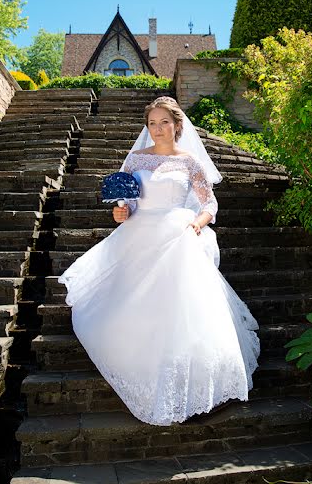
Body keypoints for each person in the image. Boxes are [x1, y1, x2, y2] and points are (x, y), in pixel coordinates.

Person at [58, 96, 260, 426]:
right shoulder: (136, 160)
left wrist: (198, 222)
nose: (157, 129)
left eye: (163, 122)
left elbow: (210, 204)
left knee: (183, 310)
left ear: (177, 125)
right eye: (152, 123)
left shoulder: (190, 163)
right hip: (139, 235)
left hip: (179, 236)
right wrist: (120, 211)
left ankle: (193, 383)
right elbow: (127, 201)